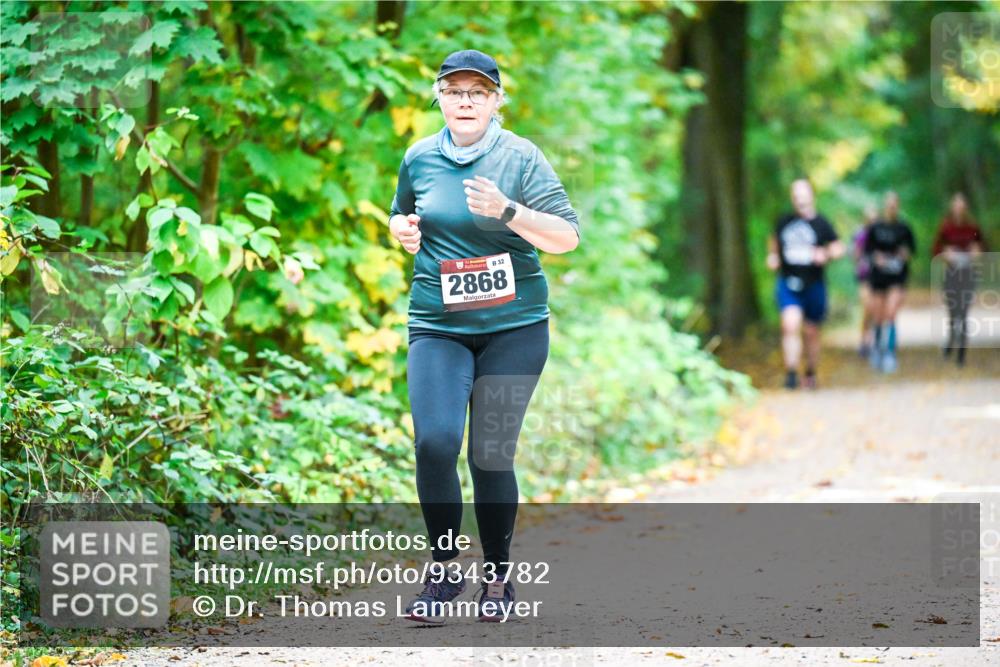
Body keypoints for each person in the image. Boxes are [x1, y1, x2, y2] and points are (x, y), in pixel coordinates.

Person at [387, 49, 580, 624]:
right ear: (438, 97)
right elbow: (404, 214)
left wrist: (509, 211)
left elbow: (567, 236)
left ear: (496, 100)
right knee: (435, 443)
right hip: (438, 326)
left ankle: (497, 576)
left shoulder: (521, 158)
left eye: (478, 91)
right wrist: (399, 229)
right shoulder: (419, 156)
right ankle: (444, 572)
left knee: (490, 455)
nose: (465, 100)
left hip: (514, 328)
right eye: (454, 90)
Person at [767, 179, 844, 390]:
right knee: (790, 324)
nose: (799, 200)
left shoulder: (821, 223)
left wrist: (826, 253)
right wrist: (773, 256)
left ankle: (810, 372)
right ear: (792, 199)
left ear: (811, 196)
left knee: (811, 331)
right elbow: (774, 241)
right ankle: (791, 373)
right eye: (796, 196)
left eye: (803, 195)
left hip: (814, 284)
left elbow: (839, 247)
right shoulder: (784, 221)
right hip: (788, 282)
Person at [931, 192, 986, 367]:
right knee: (954, 311)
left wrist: (976, 251)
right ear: (952, 207)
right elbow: (935, 249)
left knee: (964, 312)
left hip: (968, 273)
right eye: (956, 204)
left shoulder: (972, 227)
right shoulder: (946, 227)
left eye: (962, 205)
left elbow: (983, 246)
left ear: (966, 208)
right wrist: (946, 254)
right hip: (952, 273)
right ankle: (951, 340)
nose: (959, 208)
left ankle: (961, 351)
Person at [865, 191, 916, 373]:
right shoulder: (875, 228)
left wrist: (904, 254)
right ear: (884, 206)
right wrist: (876, 258)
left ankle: (890, 353)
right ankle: (877, 348)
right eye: (889, 204)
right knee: (878, 316)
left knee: (891, 313)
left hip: (897, 277)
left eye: (895, 204)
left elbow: (912, 251)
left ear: (898, 206)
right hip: (878, 278)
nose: (892, 207)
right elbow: (866, 252)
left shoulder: (904, 228)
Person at [852, 204, 878, 357]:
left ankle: (875, 340)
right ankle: (864, 341)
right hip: (865, 276)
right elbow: (855, 255)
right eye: (870, 219)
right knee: (868, 308)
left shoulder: (882, 232)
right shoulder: (860, 234)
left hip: (881, 277)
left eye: (875, 219)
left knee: (877, 310)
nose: (872, 222)